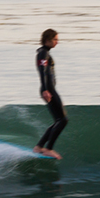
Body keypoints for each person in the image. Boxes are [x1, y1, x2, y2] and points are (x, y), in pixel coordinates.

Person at [34, 29, 68, 159]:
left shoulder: (44, 53)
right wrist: (45, 90)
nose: (57, 42)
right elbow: (43, 72)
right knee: (63, 120)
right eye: (55, 40)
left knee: (58, 120)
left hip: (48, 88)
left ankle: (39, 147)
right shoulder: (43, 53)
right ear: (47, 40)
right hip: (48, 89)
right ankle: (48, 148)